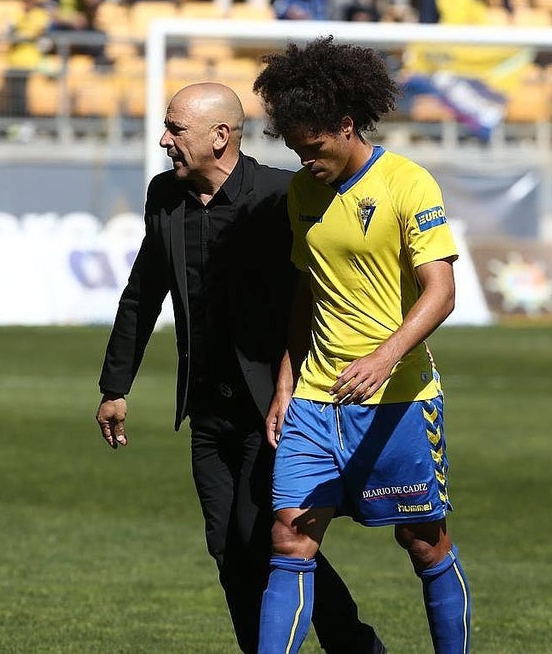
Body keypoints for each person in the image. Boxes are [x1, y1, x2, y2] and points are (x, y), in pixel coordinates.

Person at [96, 82, 386, 654]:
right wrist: (115, 386)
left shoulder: (282, 195)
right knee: (227, 545)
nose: (164, 140)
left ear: (221, 136)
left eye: (176, 129)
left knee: (266, 538)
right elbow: (142, 293)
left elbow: (321, 295)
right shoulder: (164, 196)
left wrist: (297, 382)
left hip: (275, 406)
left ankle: (354, 644)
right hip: (207, 407)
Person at [252, 37, 472, 653]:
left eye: (313, 145)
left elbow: (441, 291)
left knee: (425, 541)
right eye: (293, 146)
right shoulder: (303, 194)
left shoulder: (408, 183)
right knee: (290, 538)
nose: (303, 158)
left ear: (346, 126)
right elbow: (307, 292)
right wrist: (286, 381)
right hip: (317, 401)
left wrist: (384, 356)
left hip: (398, 400)